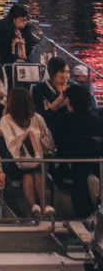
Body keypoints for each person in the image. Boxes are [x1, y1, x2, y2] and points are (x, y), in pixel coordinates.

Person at [0, 88, 55, 220]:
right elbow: (47, 139)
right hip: (26, 162)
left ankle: (34, 208)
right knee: (35, 171)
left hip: (20, 163)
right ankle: (44, 207)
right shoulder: (35, 118)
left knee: (29, 173)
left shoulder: (7, 119)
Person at [54, 84, 103, 217]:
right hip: (94, 165)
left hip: (69, 166)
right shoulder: (96, 119)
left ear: (70, 100)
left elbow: (56, 142)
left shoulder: (62, 120)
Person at [32, 57, 72, 133]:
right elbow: (40, 116)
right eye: (62, 71)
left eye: (68, 72)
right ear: (53, 73)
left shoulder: (71, 88)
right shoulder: (39, 89)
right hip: (49, 130)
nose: (66, 75)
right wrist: (57, 102)